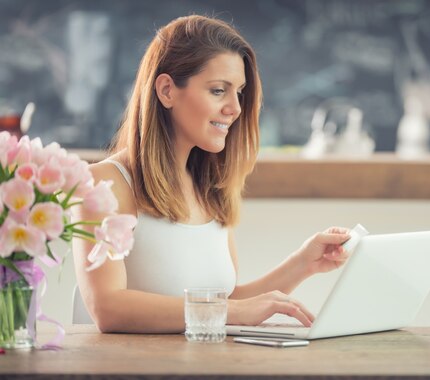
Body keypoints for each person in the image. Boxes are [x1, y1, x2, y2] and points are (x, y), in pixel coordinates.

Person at [72, 15, 351, 333]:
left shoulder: (209, 187)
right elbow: (108, 307)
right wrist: (231, 309)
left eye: (240, 93)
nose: (236, 107)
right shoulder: (104, 185)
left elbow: (228, 302)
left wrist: (304, 263)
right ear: (166, 90)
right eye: (219, 91)